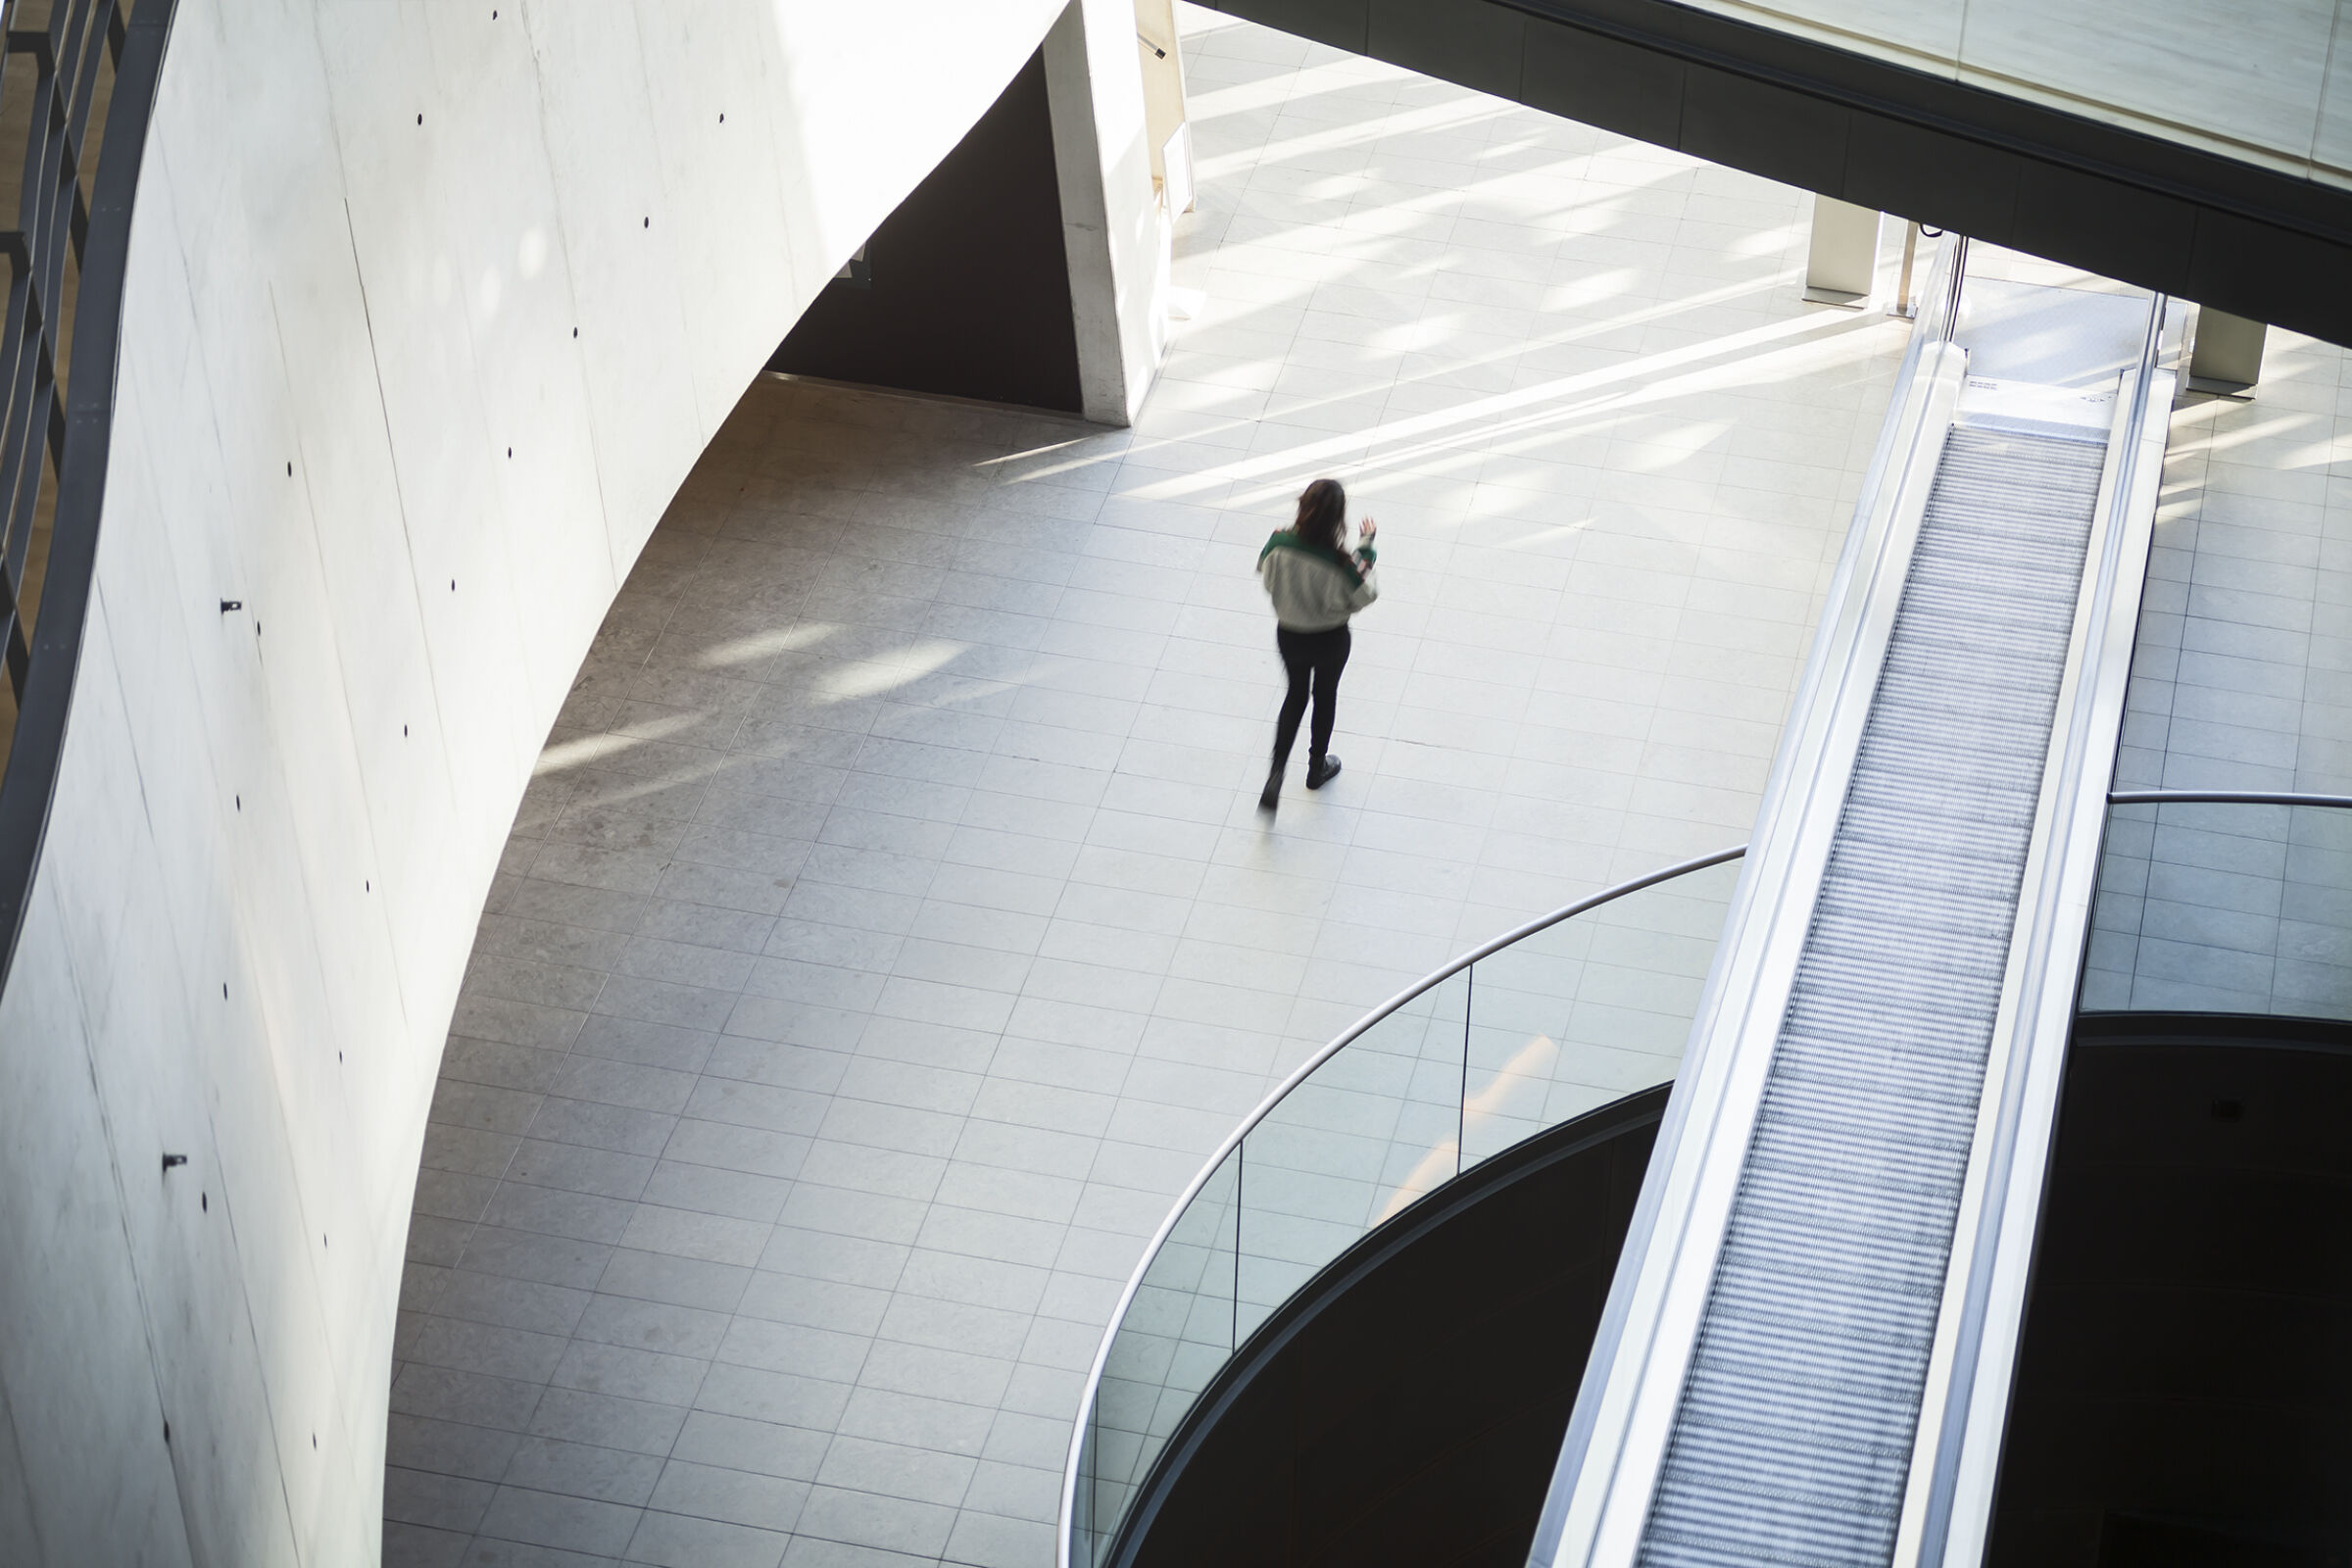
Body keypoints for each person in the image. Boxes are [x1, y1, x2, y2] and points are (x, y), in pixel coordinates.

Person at [1255, 477, 1377, 811]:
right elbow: (1364, 596)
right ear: (1338, 520)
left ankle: (1276, 772)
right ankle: (1316, 767)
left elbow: (1266, 578)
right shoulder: (1342, 564)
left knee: (1295, 694)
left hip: (1290, 634)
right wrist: (1365, 547)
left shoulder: (1278, 543)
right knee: (1325, 696)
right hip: (1330, 640)